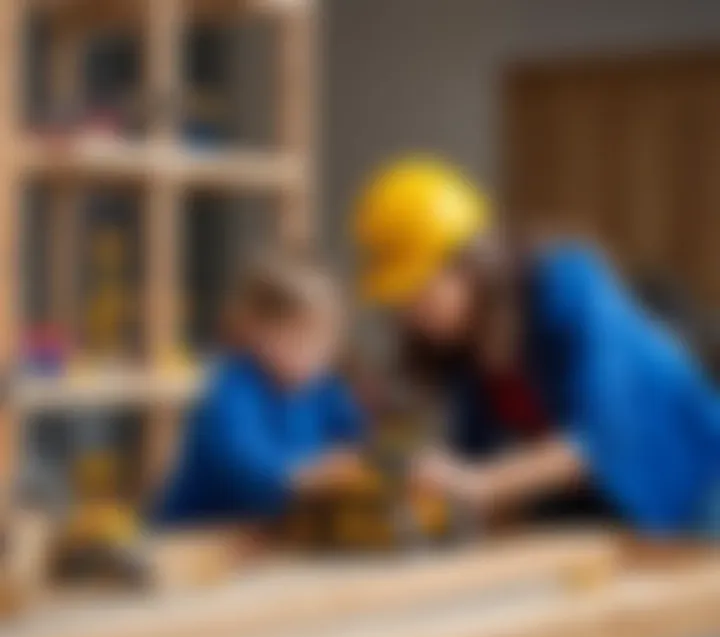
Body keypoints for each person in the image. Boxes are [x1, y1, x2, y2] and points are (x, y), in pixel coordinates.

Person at [353, 157, 720, 538]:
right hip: (612, 506)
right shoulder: (466, 350)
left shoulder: (570, 285)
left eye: (421, 293)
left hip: (700, 482)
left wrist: (480, 483)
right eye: (403, 302)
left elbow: (598, 438)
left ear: (473, 265)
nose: (413, 314)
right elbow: (476, 457)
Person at [152, 256, 366, 526]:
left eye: (322, 341)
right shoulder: (234, 389)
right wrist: (313, 476)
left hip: (265, 541)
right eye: (296, 337)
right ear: (255, 331)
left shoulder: (326, 392)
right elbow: (244, 471)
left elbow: (359, 448)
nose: (310, 353)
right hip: (194, 537)